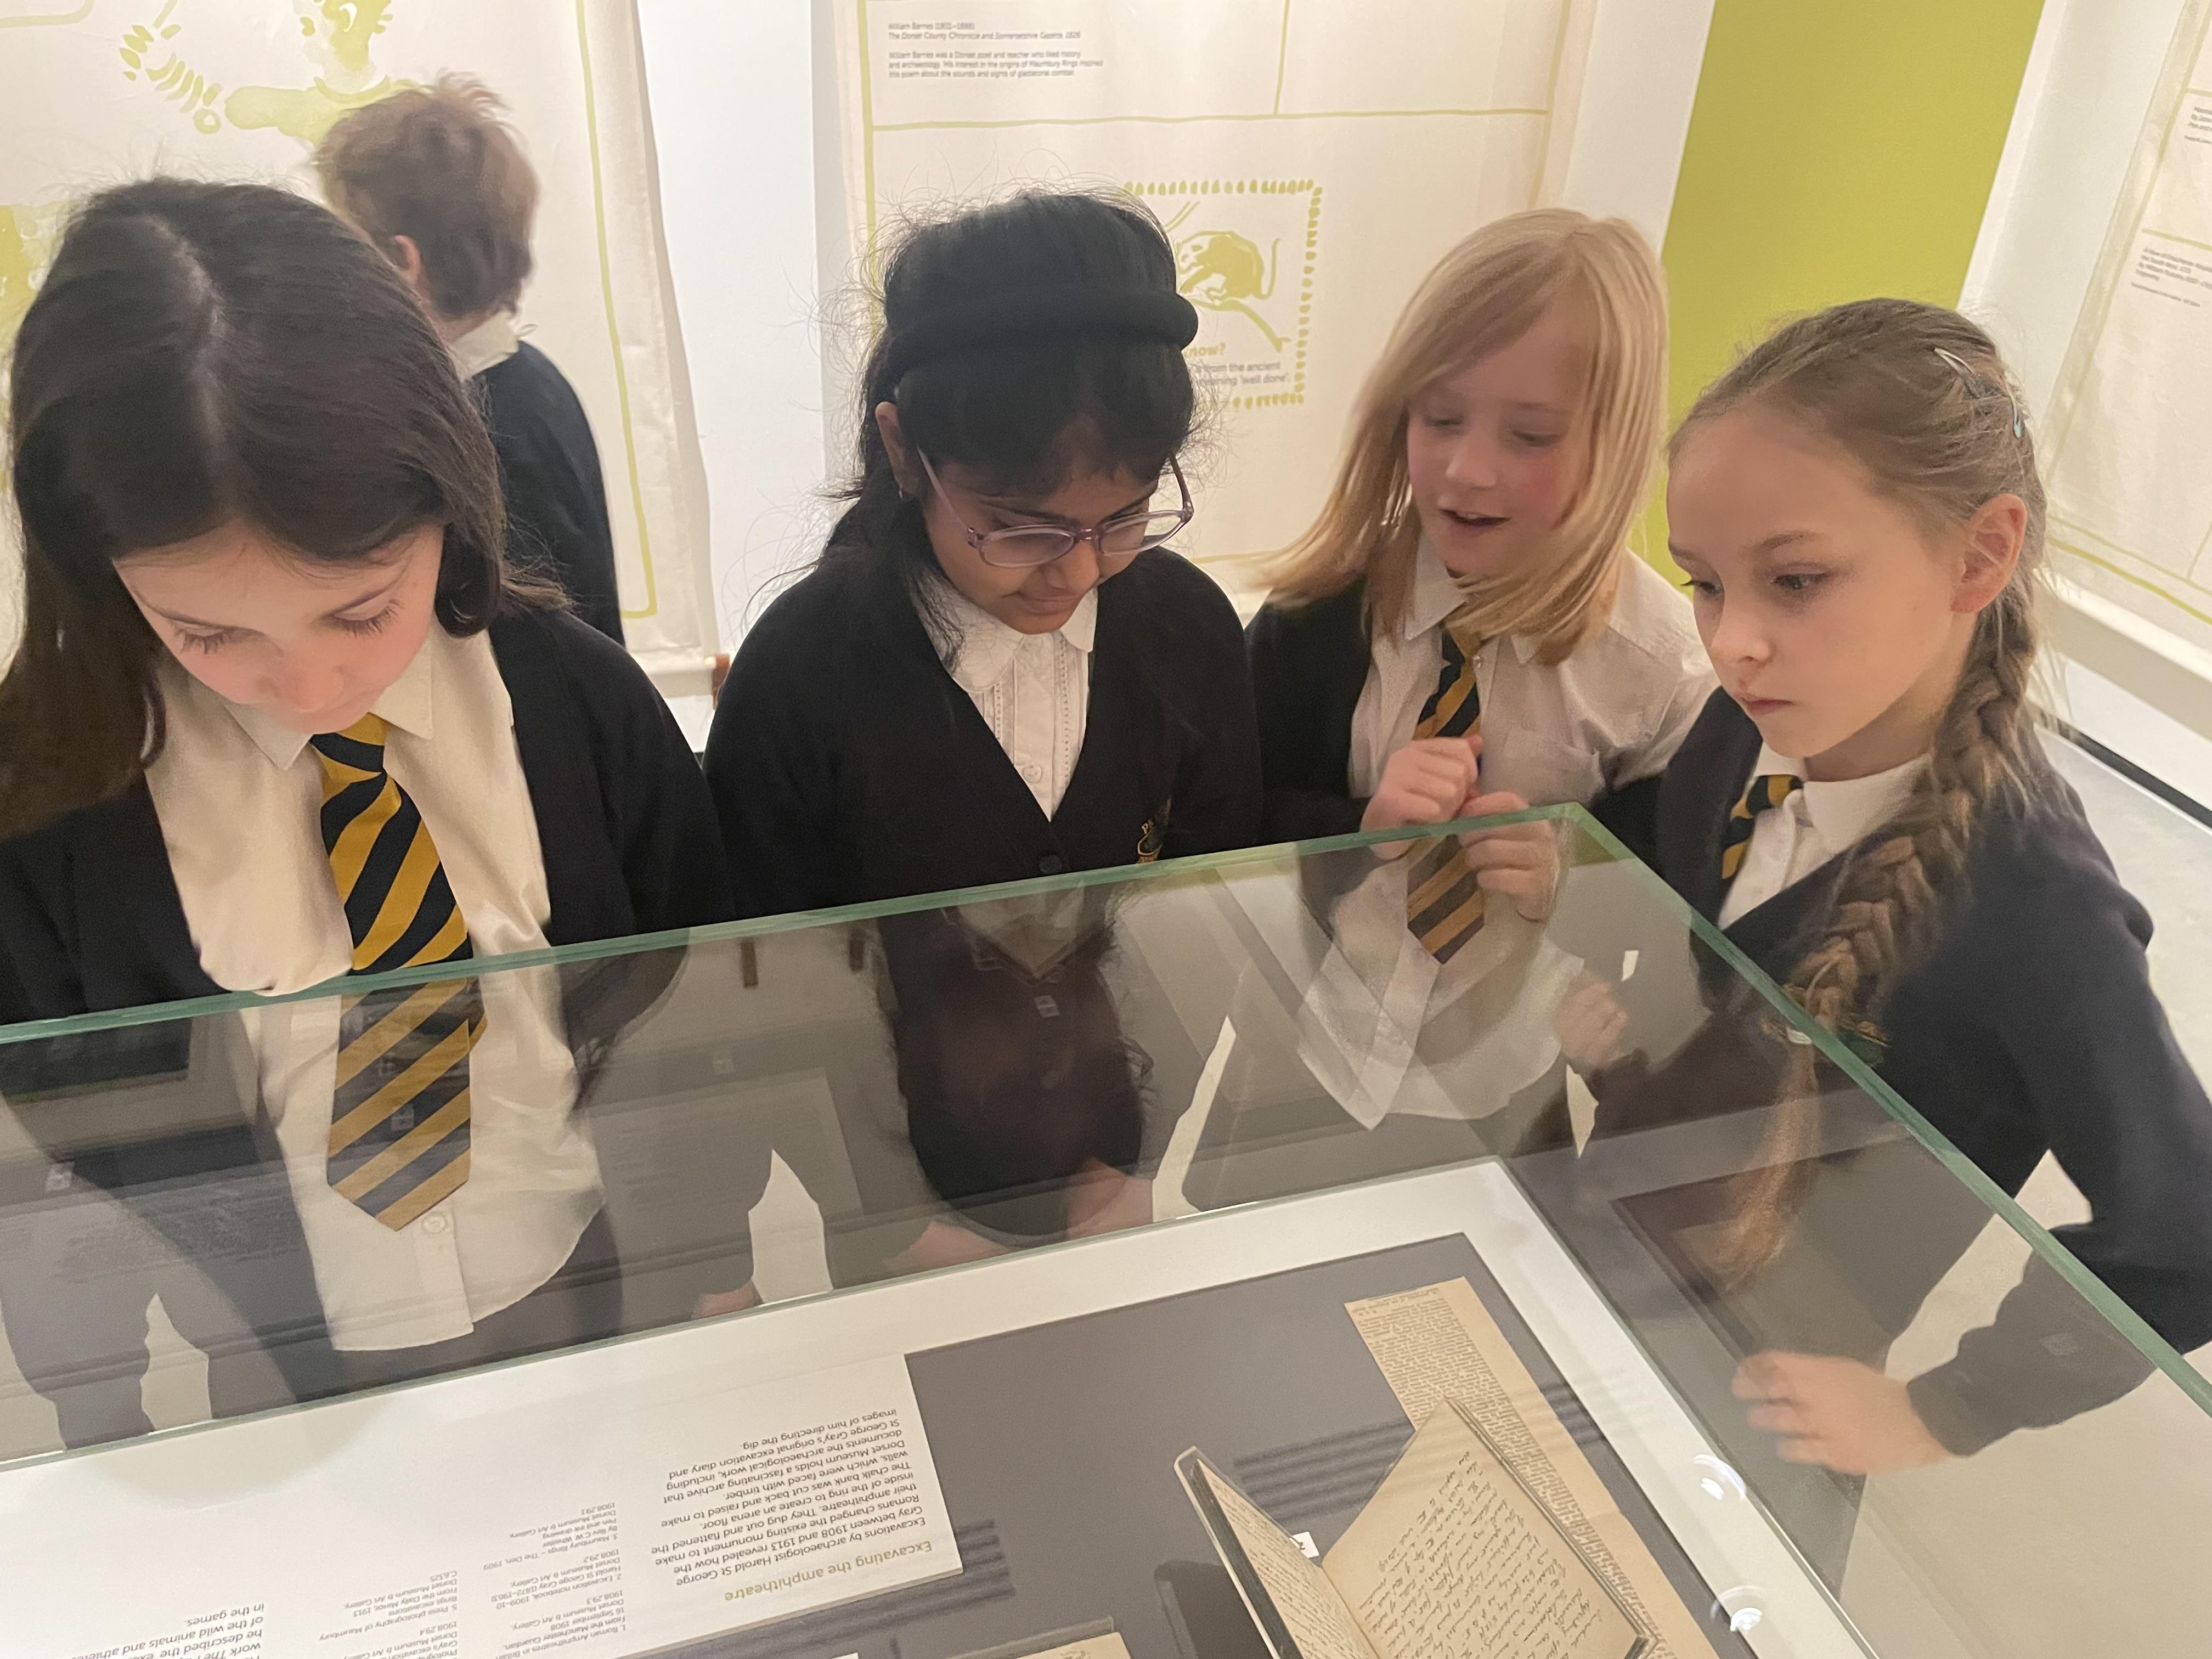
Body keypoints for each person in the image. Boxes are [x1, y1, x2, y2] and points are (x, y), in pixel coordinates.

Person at [0, 179, 731, 1437]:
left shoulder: (578, 704)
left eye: (361, 611)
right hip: (280, 1365)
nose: (311, 688)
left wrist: (709, 1257)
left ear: (451, 499)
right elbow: (82, 1146)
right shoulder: (49, 804)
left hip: (592, 1285)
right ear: (92, 567)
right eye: (210, 633)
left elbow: (702, 997)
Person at [1566, 298, 2212, 1482]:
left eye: (1796, 579)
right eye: (1704, 583)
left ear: (1977, 556)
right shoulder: (1738, 730)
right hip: (1600, 1260)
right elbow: (1704, 940)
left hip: (1761, 1401)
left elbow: (2186, 1230)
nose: (1731, 642)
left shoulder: (2041, 910)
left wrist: (1946, 1407)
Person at [704, 188, 1263, 919]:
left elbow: (1219, 899)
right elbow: (762, 948)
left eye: (1124, 518)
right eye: (1023, 530)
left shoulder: (1188, 628)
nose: (1078, 573)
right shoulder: (800, 675)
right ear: (905, 452)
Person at [1246, 208, 1712, 859]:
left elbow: (1673, 885)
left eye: (1531, 436)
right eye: (1441, 419)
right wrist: (1356, 831)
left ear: (1618, 448)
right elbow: (1230, 816)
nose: (1468, 470)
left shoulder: (1672, 679)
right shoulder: (1318, 607)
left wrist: (1568, 880)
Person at [317, 75, 625, 644]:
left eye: (347, 247)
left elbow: (539, 636)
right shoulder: (528, 382)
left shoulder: (490, 426)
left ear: (402, 262)